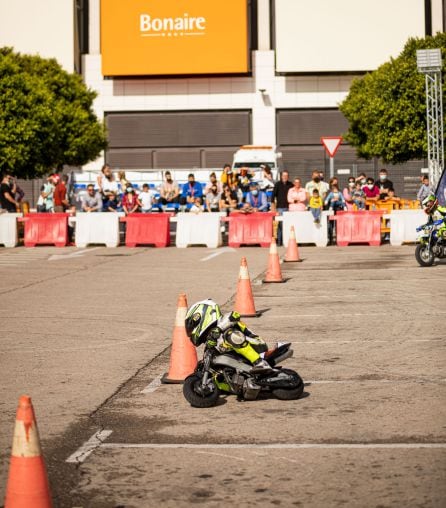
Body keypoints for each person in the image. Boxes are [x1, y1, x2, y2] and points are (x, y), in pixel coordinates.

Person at [185, 299, 271, 372]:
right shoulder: (212, 338)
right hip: (241, 355)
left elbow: (235, 315)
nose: (191, 331)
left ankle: (260, 363)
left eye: (192, 326)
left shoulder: (224, 320)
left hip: (255, 345)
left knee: (229, 334)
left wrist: (219, 328)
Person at [272, 170, 293, 245]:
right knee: (279, 225)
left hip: (288, 208)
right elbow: (273, 196)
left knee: (287, 225)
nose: (285, 177)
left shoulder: (291, 185)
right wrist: (273, 208)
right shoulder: (277, 184)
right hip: (279, 208)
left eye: (286, 176)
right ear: (281, 176)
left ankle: (286, 241)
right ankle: (279, 242)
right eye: (284, 176)